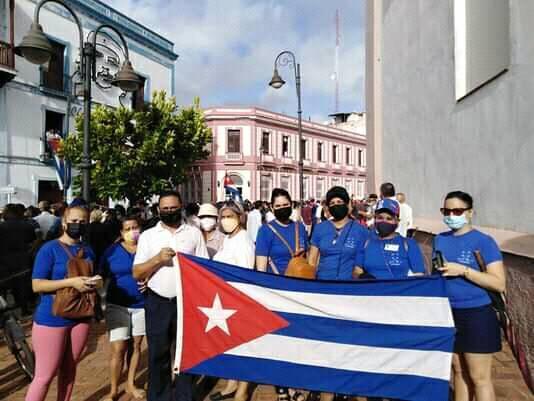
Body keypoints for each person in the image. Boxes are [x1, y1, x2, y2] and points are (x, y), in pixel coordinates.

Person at [133, 190, 208, 401]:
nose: (169, 212)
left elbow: (203, 269)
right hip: (157, 301)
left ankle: (184, 396)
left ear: (181, 206)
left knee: (186, 354)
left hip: (186, 302)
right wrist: (157, 259)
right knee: (158, 354)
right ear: (158, 210)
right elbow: (137, 271)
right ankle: (159, 396)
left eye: (173, 208)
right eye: (165, 209)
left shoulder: (193, 233)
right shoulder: (148, 236)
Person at [25, 205, 102, 401]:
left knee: (69, 370)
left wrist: (95, 282)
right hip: (52, 317)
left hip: (81, 316)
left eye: (83, 222)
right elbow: (37, 285)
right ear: (64, 222)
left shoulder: (88, 250)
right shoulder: (49, 249)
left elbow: (90, 276)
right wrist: (71, 282)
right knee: (44, 376)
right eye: (74, 221)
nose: (78, 225)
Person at [434, 191, 505, 401]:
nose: (451, 215)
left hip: (477, 314)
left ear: (470, 213)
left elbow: (498, 283)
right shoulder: (439, 240)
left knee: (479, 377)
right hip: (449, 313)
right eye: (446, 211)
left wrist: (464, 270)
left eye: (457, 211)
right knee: (458, 372)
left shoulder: (484, 242)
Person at [210, 201, 254, 401]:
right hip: (224, 298)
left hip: (238, 298)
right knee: (231, 345)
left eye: (230, 216)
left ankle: (242, 390)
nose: (226, 220)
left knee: (242, 345)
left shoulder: (244, 241)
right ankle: (231, 384)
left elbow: (245, 273)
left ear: (240, 217)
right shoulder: (228, 239)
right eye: (223, 217)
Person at [100, 216, 146, 401]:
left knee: (135, 346)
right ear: (121, 232)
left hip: (141, 304)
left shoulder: (146, 249)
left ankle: (130, 383)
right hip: (117, 304)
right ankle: (113, 389)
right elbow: (101, 275)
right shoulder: (112, 251)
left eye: (135, 227)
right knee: (118, 348)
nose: (132, 231)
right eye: (127, 228)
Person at [354, 199, 425, 279]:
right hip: (371, 289)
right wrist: (363, 276)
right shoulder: (366, 242)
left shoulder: (408, 244)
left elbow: (419, 274)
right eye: (380, 217)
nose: (384, 221)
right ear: (375, 219)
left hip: (399, 290)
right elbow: (357, 269)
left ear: (397, 221)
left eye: (389, 218)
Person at [308, 187, 368, 280]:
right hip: (322, 284)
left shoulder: (360, 230)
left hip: (347, 286)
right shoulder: (320, 228)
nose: (336, 205)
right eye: (332, 203)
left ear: (347, 204)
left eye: (339, 202)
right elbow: (312, 261)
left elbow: (359, 267)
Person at [256, 189, 309, 275]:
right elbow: (261, 268)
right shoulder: (265, 231)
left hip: (300, 281)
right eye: (278, 206)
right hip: (276, 284)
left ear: (291, 205)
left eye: (285, 205)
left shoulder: (300, 227)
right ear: (272, 208)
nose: (282, 208)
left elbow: (307, 255)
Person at [0, 203, 37, 315]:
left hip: (3, 259)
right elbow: (33, 240)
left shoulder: (1, 226)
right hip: (22, 258)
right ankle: (24, 309)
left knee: (3, 284)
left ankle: (3, 308)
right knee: (22, 285)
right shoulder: (27, 226)